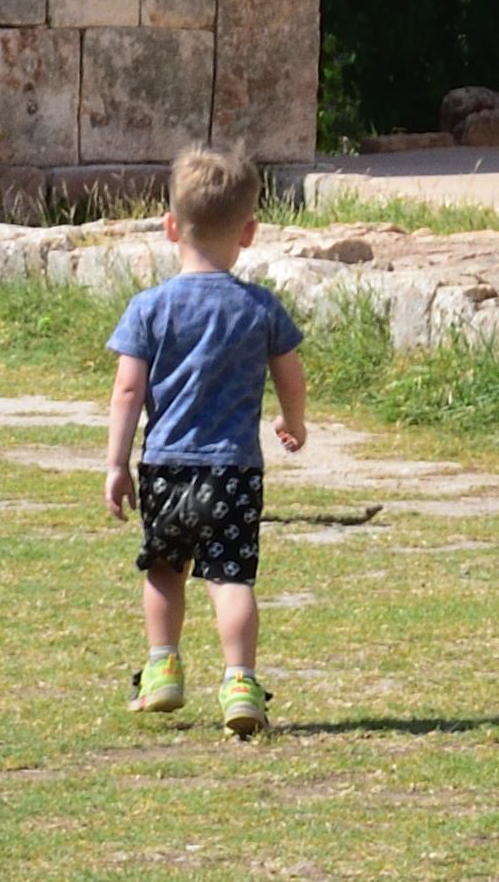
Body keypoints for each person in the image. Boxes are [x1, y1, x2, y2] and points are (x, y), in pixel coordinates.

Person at [103, 147, 311, 734]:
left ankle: (162, 670)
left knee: (164, 570)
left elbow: (127, 390)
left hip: (166, 467)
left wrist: (117, 463)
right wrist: (293, 420)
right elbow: (290, 373)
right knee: (231, 578)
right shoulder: (260, 307)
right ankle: (240, 682)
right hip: (235, 470)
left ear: (171, 226)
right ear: (248, 232)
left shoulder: (149, 308)